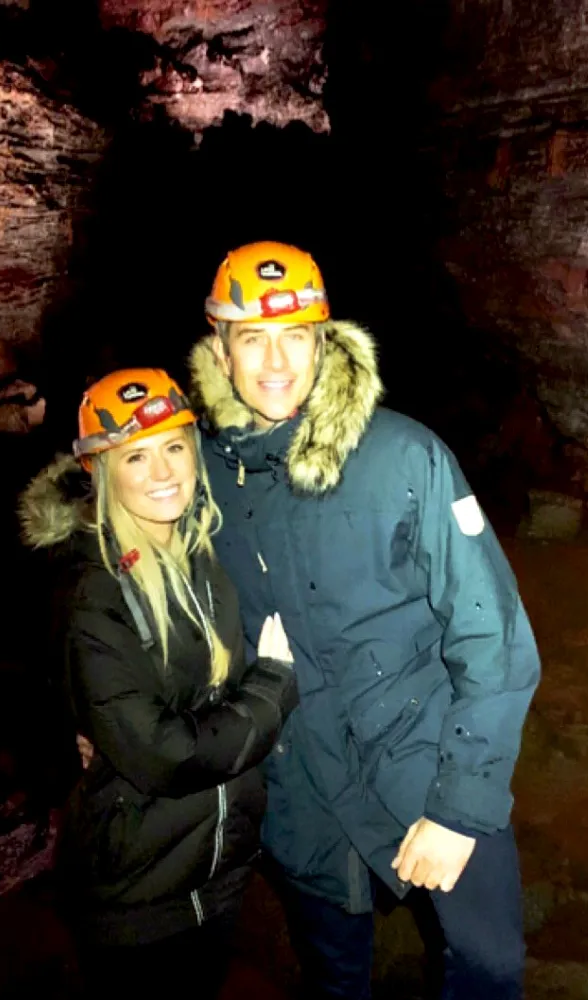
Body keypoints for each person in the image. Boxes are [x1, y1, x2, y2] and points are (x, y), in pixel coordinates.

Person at [183, 241, 542, 999]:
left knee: (488, 967)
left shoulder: (404, 457)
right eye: (252, 338)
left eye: (295, 337)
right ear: (221, 347)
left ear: (325, 340)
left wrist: (461, 807)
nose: (275, 362)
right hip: (296, 781)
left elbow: (497, 643)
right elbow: (154, 592)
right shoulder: (202, 474)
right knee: (335, 974)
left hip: (425, 757)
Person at [18, 368, 298, 998]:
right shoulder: (93, 590)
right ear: (99, 473)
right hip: (138, 896)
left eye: (174, 446)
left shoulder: (197, 546)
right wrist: (270, 691)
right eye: (136, 456)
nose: (163, 471)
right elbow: (164, 752)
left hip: (216, 873)